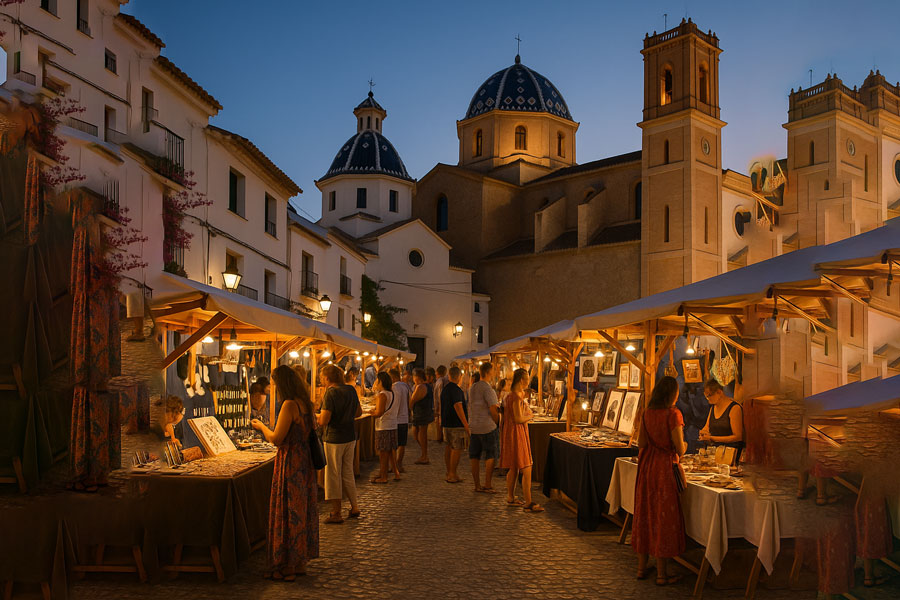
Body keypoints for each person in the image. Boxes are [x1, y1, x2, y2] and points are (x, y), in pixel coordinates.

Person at [251, 365, 318, 580]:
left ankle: (286, 566)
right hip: (304, 461)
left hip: (290, 462)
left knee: (288, 510)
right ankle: (299, 562)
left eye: (274, 384)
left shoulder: (289, 405)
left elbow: (277, 439)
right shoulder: (306, 403)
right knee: (300, 509)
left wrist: (261, 427)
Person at [632, 375, 687, 586]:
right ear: (672, 394)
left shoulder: (647, 413)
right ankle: (662, 574)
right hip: (664, 468)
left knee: (645, 513)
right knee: (663, 517)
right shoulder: (673, 414)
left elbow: (642, 442)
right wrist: (682, 448)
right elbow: (679, 447)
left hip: (647, 468)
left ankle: (640, 568)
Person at [317, 364, 361, 524]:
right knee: (348, 472)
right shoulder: (350, 390)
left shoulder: (331, 393)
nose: (321, 380)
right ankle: (354, 506)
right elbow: (359, 412)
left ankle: (336, 512)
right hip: (350, 436)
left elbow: (324, 420)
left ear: (328, 378)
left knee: (333, 474)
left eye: (322, 377)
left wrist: (316, 417)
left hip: (334, 438)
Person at [500, 368, 543, 512]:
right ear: (522, 380)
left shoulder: (510, 396)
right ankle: (528, 502)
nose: (528, 381)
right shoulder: (516, 397)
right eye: (527, 379)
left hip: (510, 432)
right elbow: (518, 418)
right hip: (517, 433)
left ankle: (511, 497)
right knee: (526, 466)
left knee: (513, 467)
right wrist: (530, 416)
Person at [468, 362, 500, 493]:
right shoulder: (488, 389)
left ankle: (477, 485)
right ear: (488, 372)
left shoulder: (473, 387)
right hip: (487, 426)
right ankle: (487, 484)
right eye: (493, 371)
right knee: (490, 455)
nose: (494, 374)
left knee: (474, 456)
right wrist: (497, 422)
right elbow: (493, 408)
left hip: (474, 426)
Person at [698, 379, 743, 458]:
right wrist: (703, 432)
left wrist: (712, 438)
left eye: (709, 396)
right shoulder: (713, 407)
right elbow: (707, 427)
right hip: (714, 453)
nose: (708, 400)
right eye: (706, 397)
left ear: (719, 392)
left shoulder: (734, 408)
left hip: (730, 454)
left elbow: (738, 436)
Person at [369, 371, 401, 483]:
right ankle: (391, 473)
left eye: (377, 380)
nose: (375, 382)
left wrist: (371, 412)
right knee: (390, 451)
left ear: (380, 381)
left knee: (383, 452)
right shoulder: (392, 393)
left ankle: (384, 476)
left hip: (384, 426)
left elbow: (379, 412)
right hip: (392, 424)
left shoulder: (382, 394)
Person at [441, 366, 469, 484]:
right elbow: (458, 407)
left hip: (446, 423)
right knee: (456, 449)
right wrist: (466, 425)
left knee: (449, 448)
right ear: (459, 377)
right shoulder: (457, 390)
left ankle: (450, 472)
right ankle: (452, 474)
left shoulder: (445, 389)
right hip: (456, 425)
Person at [409, 368, 434, 464]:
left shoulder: (421, 387)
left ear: (416, 377)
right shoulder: (423, 386)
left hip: (422, 413)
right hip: (421, 412)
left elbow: (412, 400)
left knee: (421, 434)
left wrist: (410, 408)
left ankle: (424, 455)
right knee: (416, 434)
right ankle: (424, 453)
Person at [390, 368, 410, 472]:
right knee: (402, 443)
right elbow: (408, 401)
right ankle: (399, 464)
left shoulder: (393, 387)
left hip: (396, 419)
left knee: (394, 444)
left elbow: (395, 403)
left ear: (393, 377)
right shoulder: (405, 386)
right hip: (404, 418)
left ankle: (393, 465)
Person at [433, 365, 448, 441]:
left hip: (440, 406)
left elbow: (439, 396)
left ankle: (440, 438)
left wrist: (437, 409)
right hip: (443, 406)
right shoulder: (445, 381)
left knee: (439, 422)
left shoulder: (440, 381)